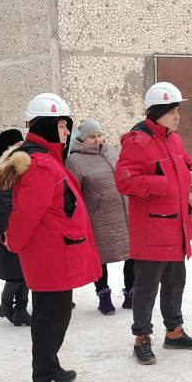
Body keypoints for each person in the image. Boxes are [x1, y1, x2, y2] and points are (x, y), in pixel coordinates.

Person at [0, 93, 101, 382]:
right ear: (49, 126)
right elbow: (26, 213)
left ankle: (51, 366)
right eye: (62, 127)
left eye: (67, 126)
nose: (66, 133)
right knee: (50, 319)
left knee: (56, 315)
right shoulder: (40, 164)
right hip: (51, 257)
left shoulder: (47, 159)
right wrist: (14, 242)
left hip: (57, 253)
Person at [115, 81, 192, 364]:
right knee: (146, 288)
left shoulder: (173, 139)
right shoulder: (137, 142)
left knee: (175, 283)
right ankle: (142, 338)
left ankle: (174, 332)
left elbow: (190, 164)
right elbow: (124, 181)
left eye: (178, 110)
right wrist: (162, 183)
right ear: (156, 112)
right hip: (152, 230)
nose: (178, 116)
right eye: (172, 111)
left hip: (177, 227)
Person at [67, 117, 133, 314]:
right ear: (82, 139)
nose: (97, 140)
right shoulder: (74, 160)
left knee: (132, 255)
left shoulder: (110, 151)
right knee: (100, 259)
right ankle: (104, 296)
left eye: (99, 135)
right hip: (97, 217)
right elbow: (73, 192)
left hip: (123, 213)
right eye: (92, 137)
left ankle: (131, 293)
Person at [0, 129, 31, 327]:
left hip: (20, 224)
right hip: (7, 227)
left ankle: (21, 309)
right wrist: (7, 230)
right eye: (16, 143)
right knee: (16, 273)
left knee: (25, 271)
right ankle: (6, 304)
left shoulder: (15, 165)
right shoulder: (1, 170)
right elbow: (2, 204)